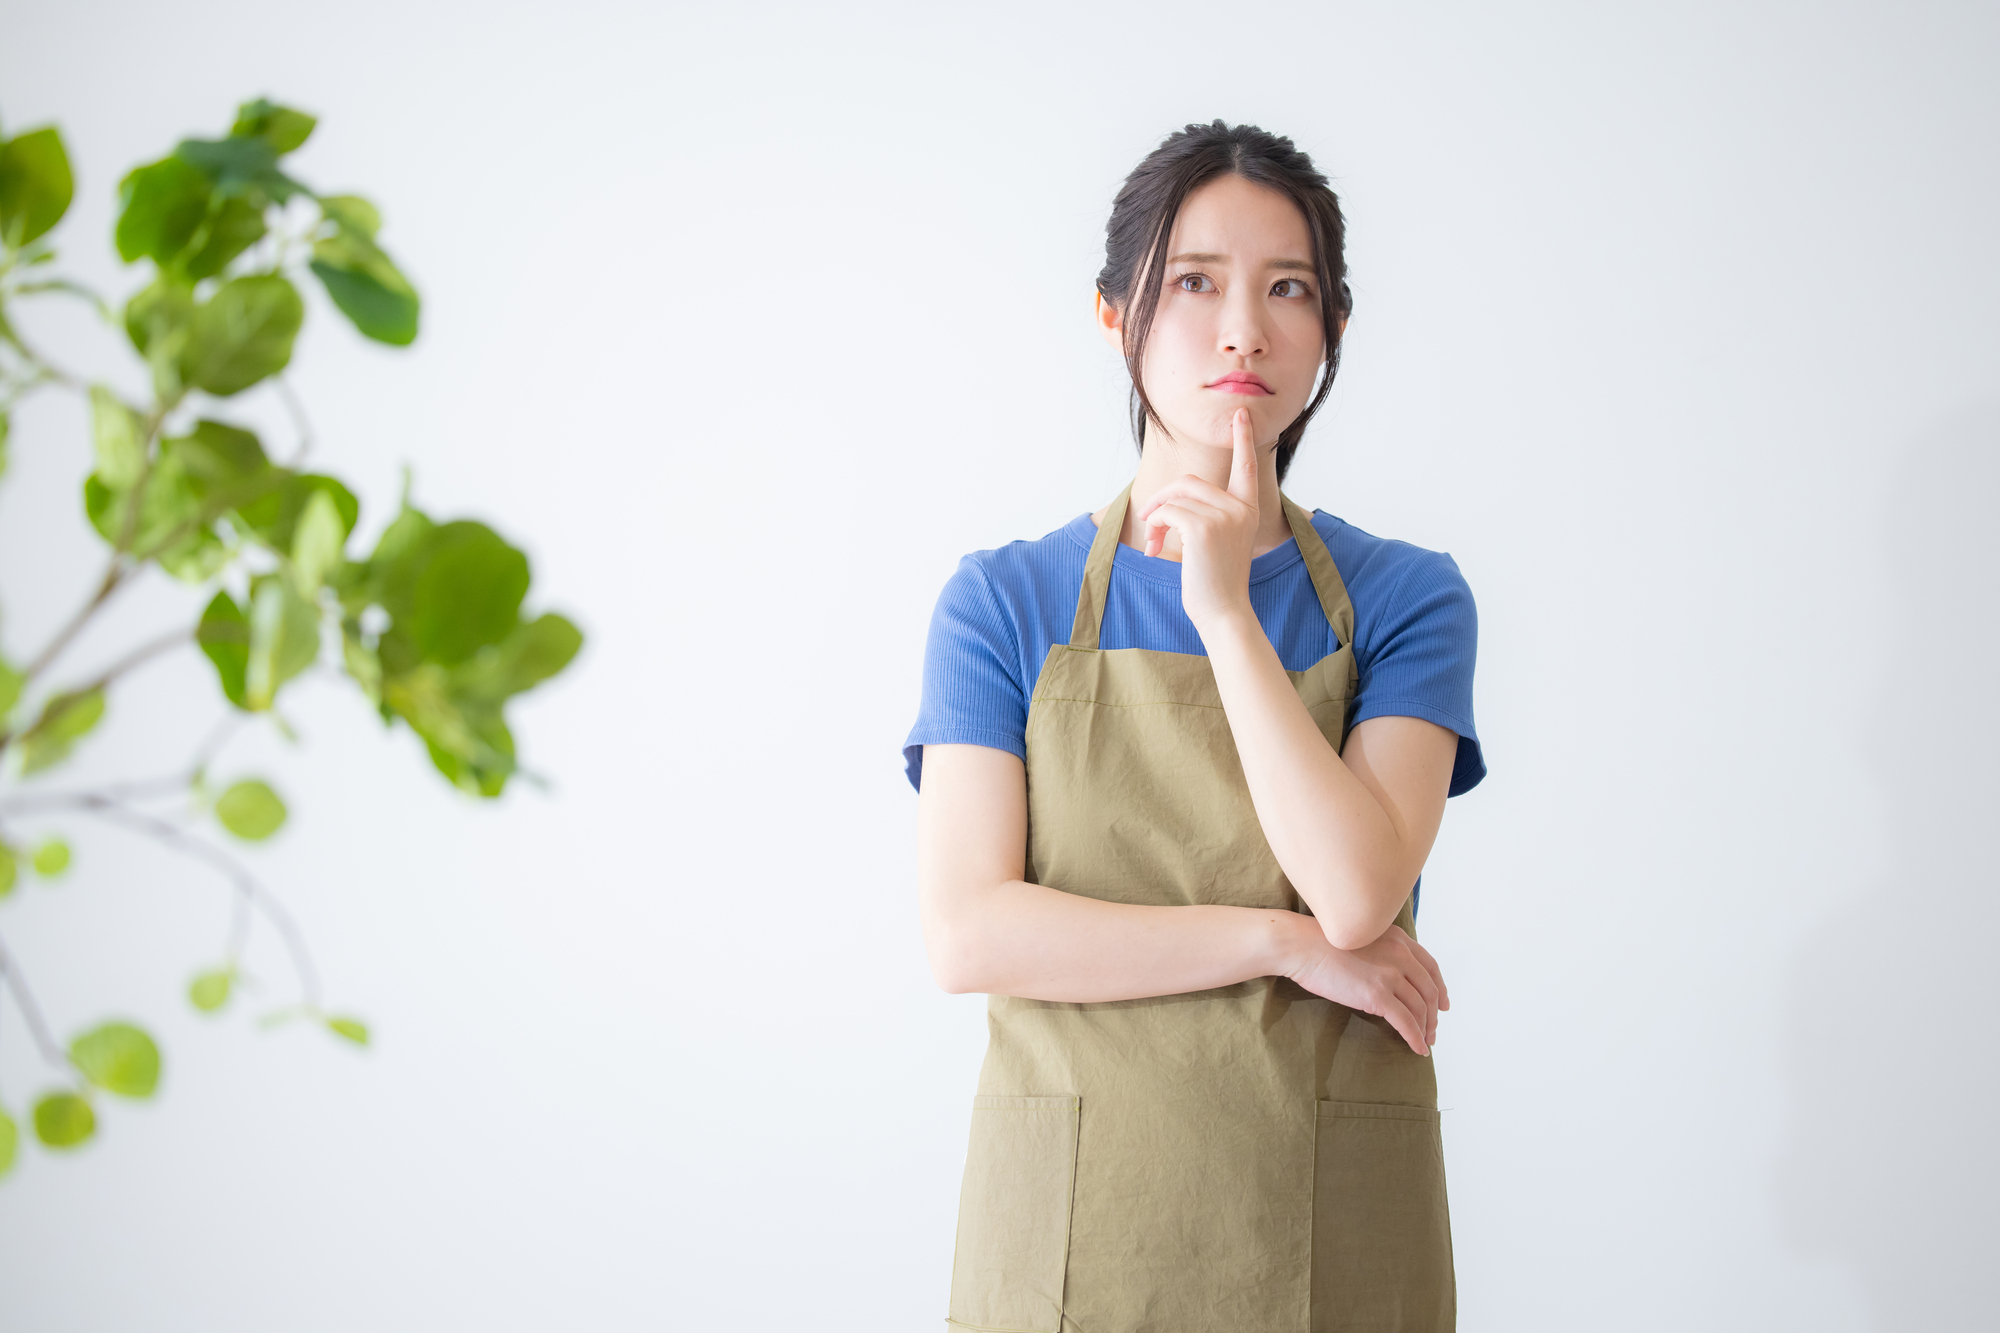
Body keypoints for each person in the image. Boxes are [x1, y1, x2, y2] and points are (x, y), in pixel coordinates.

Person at [906, 120, 1484, 1333]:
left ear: (1330, 328)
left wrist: (1222, 611)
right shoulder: (1001, 602)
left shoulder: (1404, 598)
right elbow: (968, 932)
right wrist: (1278, 946)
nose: (1242, 330)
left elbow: (1355, 895)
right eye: (1193, 283)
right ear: (1113, 313)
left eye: (1288, 289)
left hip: (1330, 1232)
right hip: (1072, 1243)